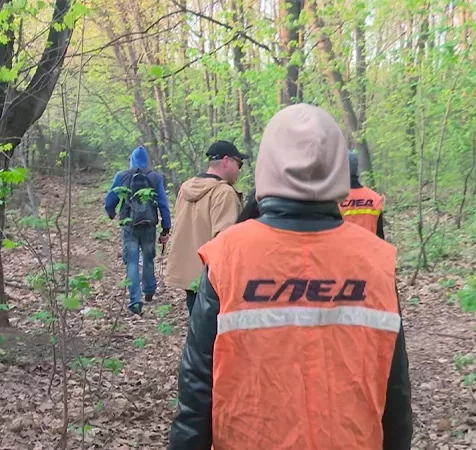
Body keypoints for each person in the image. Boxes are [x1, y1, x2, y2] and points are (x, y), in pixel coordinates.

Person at [168, 104, 413, 450]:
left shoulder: (229, 256)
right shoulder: (375, 261)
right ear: (337, 168)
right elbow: (396, 391)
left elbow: (196, 390)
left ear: (268, 166)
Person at [165, 140, 248, 314]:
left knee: (196, 329)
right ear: (226, 161)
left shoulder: (185, 188)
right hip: (213, 279)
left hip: (189, 275)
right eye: (238, 163)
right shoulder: (223, 193)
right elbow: (225, 240)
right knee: (215, 334)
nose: (239, 169)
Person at [104, 145, 171, 316]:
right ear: (147, 161)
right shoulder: (156, 177)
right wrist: (166, 227)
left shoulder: (122, 176)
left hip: (129, 225)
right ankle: (149, 289)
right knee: (148, 258)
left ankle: (135, 301)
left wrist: (111, 212)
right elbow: (163, 203)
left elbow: (111, 198)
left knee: (132, 261)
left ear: (131, 160)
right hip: (149, 225)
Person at [338, 151, 387, 239]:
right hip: (370, 251)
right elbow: (380, 237)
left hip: (344, 251)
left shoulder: (334, 200)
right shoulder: (375, 199)